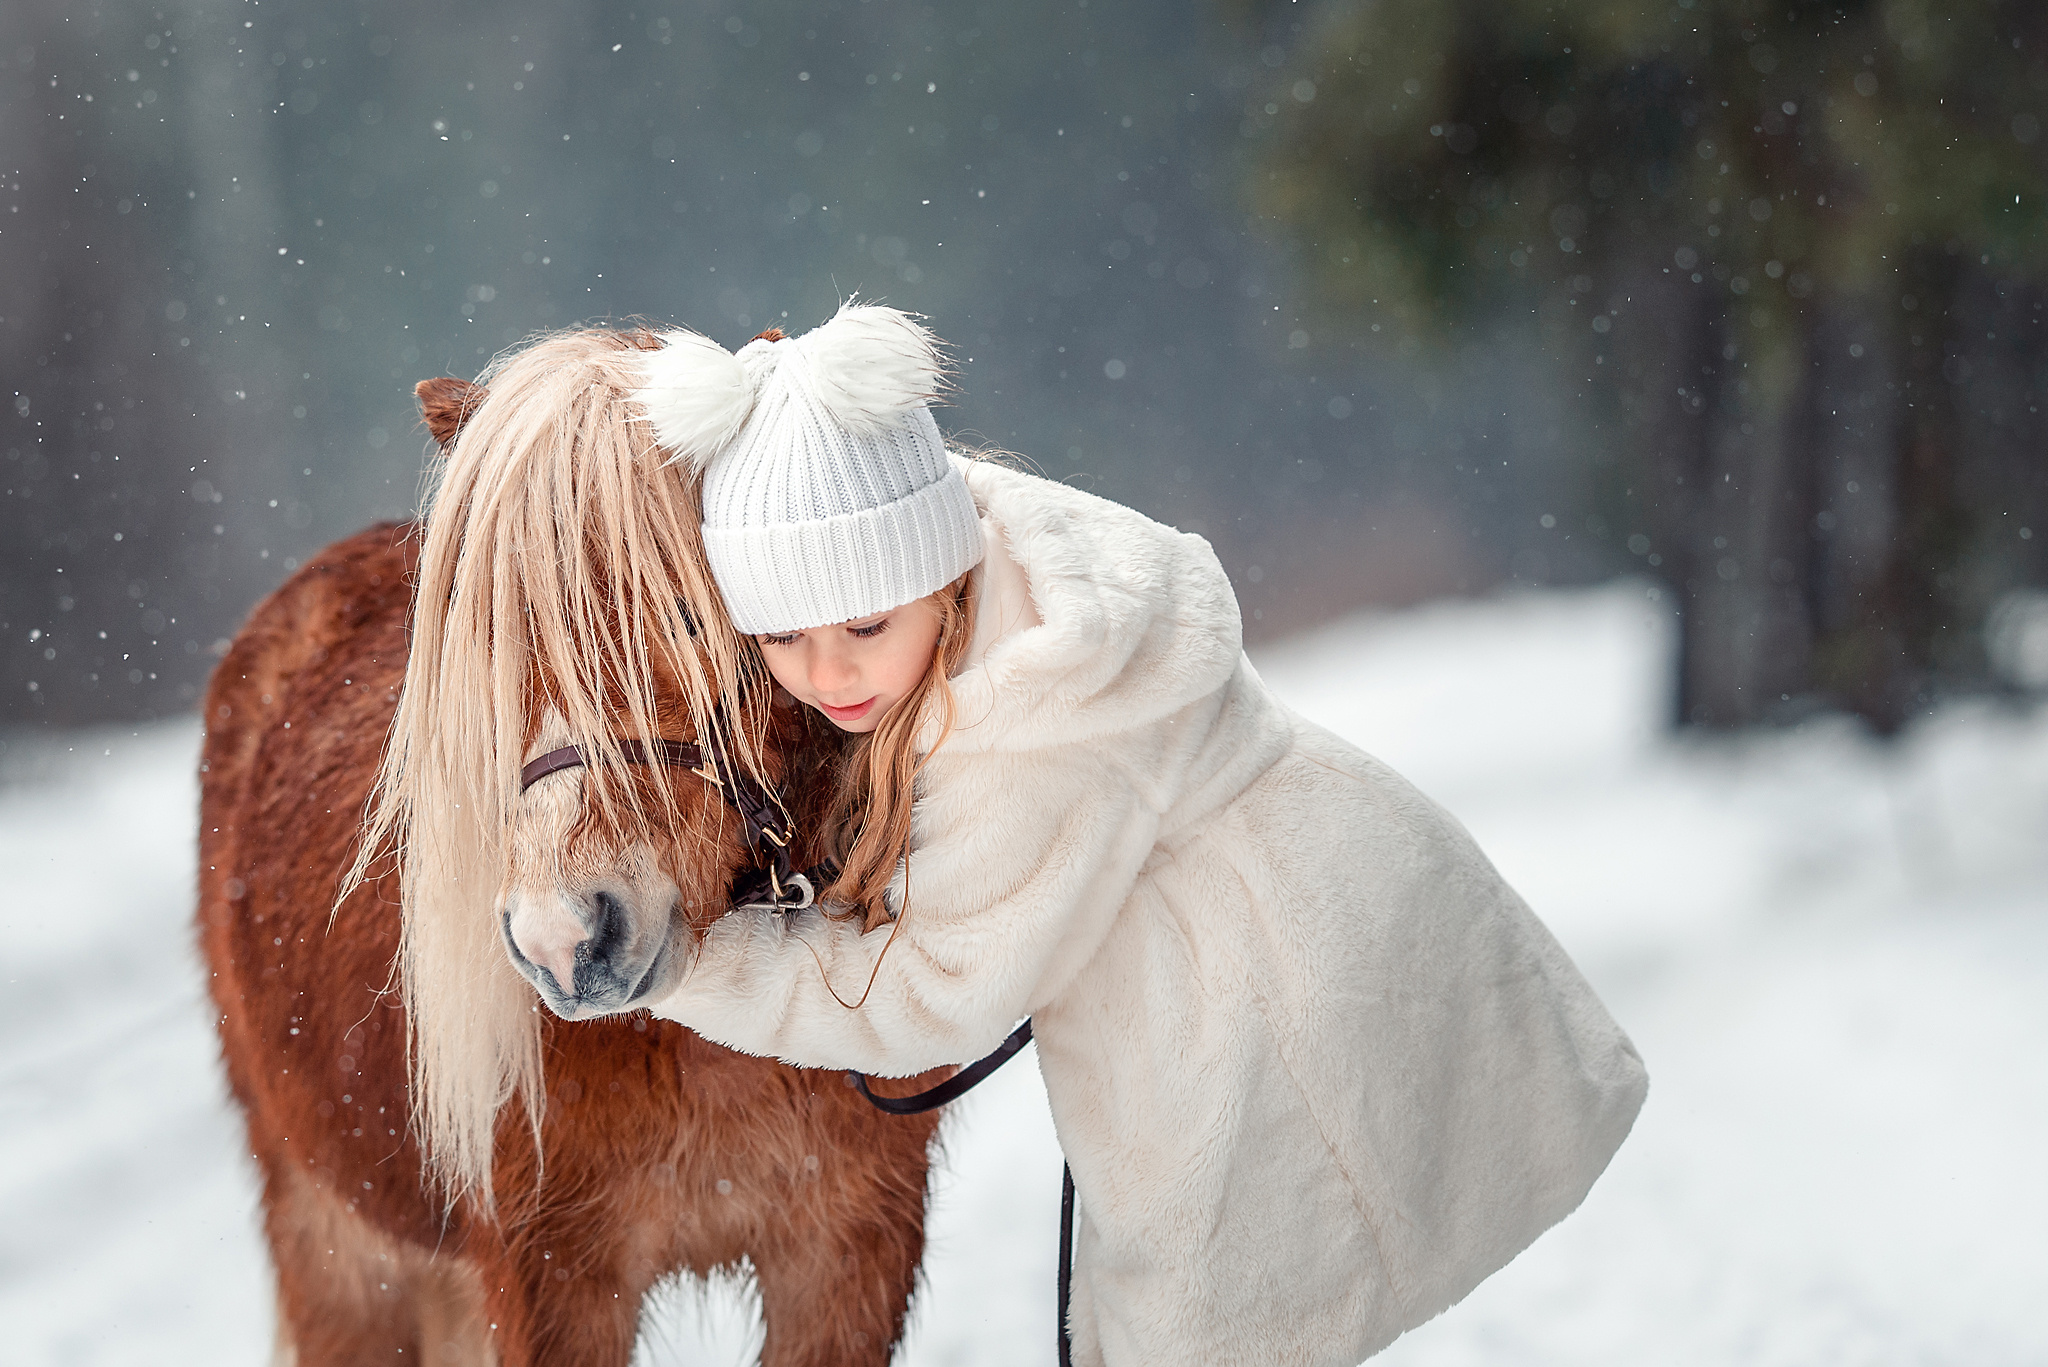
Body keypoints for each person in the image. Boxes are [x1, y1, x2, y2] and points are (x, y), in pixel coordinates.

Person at [633, 302, 1648, 1367]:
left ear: (935, 574)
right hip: (1277, 928)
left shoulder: (1029, 726)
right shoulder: (1003, 583)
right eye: (783, 638)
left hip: (1264, 995)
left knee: (1206, 1321)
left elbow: (932, 993)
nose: (827, 672)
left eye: (864, 626)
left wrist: (687, 962)